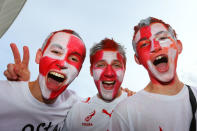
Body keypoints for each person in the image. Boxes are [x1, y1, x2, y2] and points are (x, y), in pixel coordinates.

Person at [109, 17, 197, 131]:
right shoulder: (125, 113)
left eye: (163, 38)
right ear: (138, 59)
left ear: (179, 46)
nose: (155, 47)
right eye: (144, 44)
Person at [0, 29, 86, 131]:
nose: (62, 63)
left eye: (74, 59)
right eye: (56, 52)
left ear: (78, 71)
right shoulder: (3, 94)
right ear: (39, 56)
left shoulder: (75, 107)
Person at [64, 38, 131, 131]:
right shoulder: (77, 111)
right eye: (101, 65)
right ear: (91, 71)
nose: (109, 73)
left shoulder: (139, 106)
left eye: (116, 65)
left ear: (124, 70)